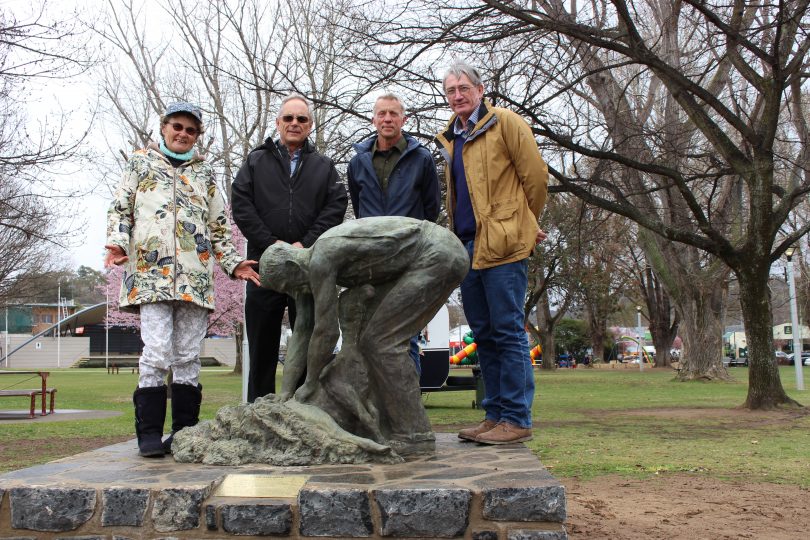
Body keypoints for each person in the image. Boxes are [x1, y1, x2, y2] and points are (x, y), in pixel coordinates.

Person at [105, 101, 260, 458]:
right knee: (157, 351)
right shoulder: (141, 163)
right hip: (150, 275)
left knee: (188, 355)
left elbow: (219, 225)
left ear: (197, 136)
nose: (182, 134)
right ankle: (148, 432)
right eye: (177, 127)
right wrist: (116, 241)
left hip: (195, 277)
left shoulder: (204, 174)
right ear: (164, 128)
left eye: (190, 130)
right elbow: (120, 207)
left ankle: (184, 431)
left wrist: (234, 263)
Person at [259, 216, 468, 452]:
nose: (293, 294)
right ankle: (388, 425)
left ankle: (414, 434)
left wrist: (309, 383)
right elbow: (303, 330)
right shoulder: (308, 271)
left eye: (288, 287)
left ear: (291, 267)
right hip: (424, 258)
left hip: (437, 253)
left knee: (381, 342)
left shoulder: (322, 257)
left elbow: (325, 331)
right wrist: (286, 392)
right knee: (370, 340)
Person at [435, 61, 549, 445]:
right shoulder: (452, 138)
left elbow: (536, 177)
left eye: (464, 88)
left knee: (508, 331)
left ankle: (517, 418)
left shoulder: (506, 123)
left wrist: (524, 224)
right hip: (467, 247)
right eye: (451, 90)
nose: (458, 96)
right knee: (483, 333)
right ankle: (495, 414)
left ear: (480, 90)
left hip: (503, 244)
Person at [232, 93, 347, 402]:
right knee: (261, 347)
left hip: (307, 267)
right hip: (264, 268)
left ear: (310, 125)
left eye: (302, 119)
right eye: (289, 118)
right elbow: (241, 205)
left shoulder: (323, 166)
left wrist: (303, 244)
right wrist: (272, 244)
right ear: (278, 123)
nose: (295, 124)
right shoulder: (256, 161)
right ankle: (259, 411)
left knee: (308, 343)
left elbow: (336, 205)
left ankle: (303, 409)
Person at [347, 93, 441, 374]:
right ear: (373, 119)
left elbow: (431, 207)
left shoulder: (421, 159)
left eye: (393, 114)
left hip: (407, 259)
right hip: (371, 261)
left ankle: (409, 412)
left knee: (405, 337)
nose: (387, 119)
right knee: (367, 335)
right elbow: (358, 203)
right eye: (382, 114)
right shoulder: (358, 162)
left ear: (404, 119)